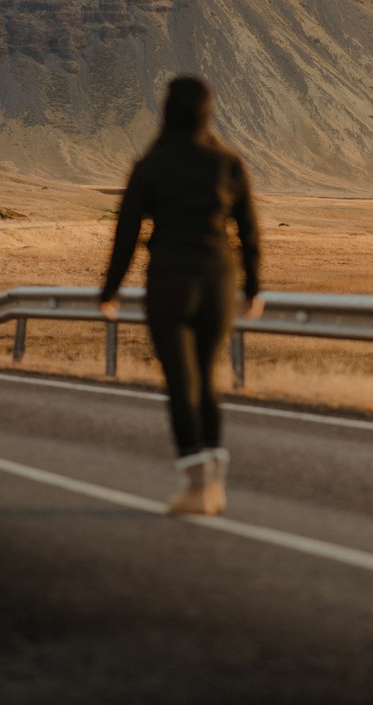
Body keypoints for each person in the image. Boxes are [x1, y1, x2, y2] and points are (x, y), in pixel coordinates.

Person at [100, 76, 263, 515]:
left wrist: (109, 291)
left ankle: (195, 487)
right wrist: (254, 287)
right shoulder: (228, 162)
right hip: (218, 278)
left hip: (171, 278)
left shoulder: (150, 164)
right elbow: (247, 230)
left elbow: (127, 233)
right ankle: (215, 485)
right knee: (207, 379)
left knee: (181, 382)